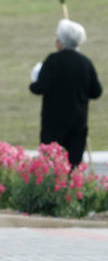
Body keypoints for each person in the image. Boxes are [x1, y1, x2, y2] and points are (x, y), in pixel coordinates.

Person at [30, 19, 102, 168]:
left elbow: (38, 88)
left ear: (61, 42)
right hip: (77, 124)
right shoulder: (85, 63)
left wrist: (34, 80)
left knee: (51, 167)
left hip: (53, 125)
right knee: (72, 168)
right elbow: (96, 92)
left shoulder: (52, 61)